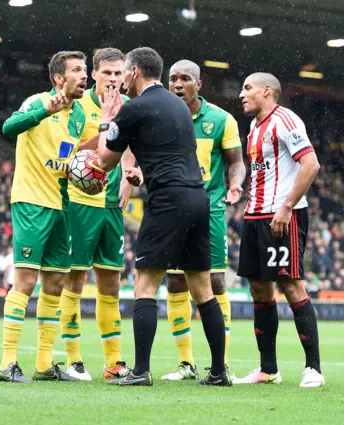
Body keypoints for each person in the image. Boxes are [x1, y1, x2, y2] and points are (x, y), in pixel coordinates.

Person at [93, 47, 230, 386]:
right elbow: (167, 151)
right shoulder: (179, 106)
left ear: (134, 72)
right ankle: (218, 372)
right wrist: (145, 175)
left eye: (124, 72)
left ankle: (140, 372)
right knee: (202, 289)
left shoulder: (132, 108)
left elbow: (105, 161)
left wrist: (107, 119)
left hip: (168, 200)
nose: (121, 79)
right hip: (198, 198)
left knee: (145, 285)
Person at [0, 50, 93, 383]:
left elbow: (84, 150)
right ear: (58, 78)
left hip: (62, 204)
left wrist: (109, 129)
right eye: (78, 70)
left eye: (86, 70)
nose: (86, 76)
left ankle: (42, 363)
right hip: (31, 201)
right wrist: (42, 112)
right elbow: (9, 127)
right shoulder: (36, 101)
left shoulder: (79, 113)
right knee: (25, 281)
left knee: (54, 284)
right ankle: (7, 362)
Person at [233, 73, 324, 388]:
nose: (242, 94)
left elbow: (310, 164)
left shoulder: (285, 120)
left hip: (282, 217)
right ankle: (267, 369)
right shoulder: (254, 127)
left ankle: (313, 369)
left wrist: (286, 207)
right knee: (259, 289)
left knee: (291, 286)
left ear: (267, 91)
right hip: (254, 216)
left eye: (248, 88)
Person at [161, 60, 246, 381]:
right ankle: (186, 363)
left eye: (185, 79)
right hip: (171, 210)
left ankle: (219, 363)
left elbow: (236, 163)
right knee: (175, 281)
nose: (178, 84)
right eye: (173, 79)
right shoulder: (162, 117)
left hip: (209, 209)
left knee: (215, 282)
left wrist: (236, 182)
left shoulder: (221, 120)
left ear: (199, 84)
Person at [60, 48, 134, 381]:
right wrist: (105, 125)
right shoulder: (78, 107)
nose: (114, 80)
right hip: (80, 202)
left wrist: (131, 178)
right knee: (74, 279)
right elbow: (68, 154)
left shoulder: (130, 108)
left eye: (119, 74)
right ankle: (74, 360)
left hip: (113, 207)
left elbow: (131, 147)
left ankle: (113, 363)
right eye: (108, 73)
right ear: (94, 74)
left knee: (111, 285)